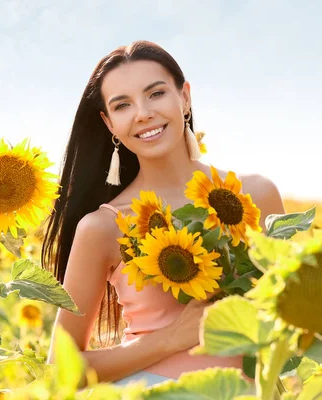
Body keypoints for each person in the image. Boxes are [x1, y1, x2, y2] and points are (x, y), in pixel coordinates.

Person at [41, 40, 285, 387]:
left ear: (184, 97)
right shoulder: (104, 226)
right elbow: (61, 371)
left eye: (155, 94)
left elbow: (295, 315)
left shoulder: (257, 195)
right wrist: (172, 337)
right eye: (123, 105)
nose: (142, 113)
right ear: (109, 123)